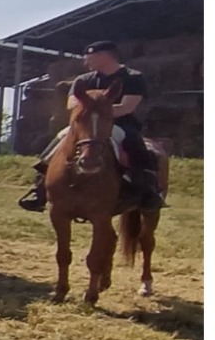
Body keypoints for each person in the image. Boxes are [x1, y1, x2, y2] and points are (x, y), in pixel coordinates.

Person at [19, 40, 163, 212]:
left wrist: (99, 113)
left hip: (120, 124)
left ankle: (147, 191)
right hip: (85, 125)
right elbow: (72, 104)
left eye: (89, 58)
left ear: (104, 56)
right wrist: (92, 112)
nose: (86, 62)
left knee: (135, 145)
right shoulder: (83, 80)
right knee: (56, 144)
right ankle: (40, 189)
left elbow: (127, 107)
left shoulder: (132, 77)